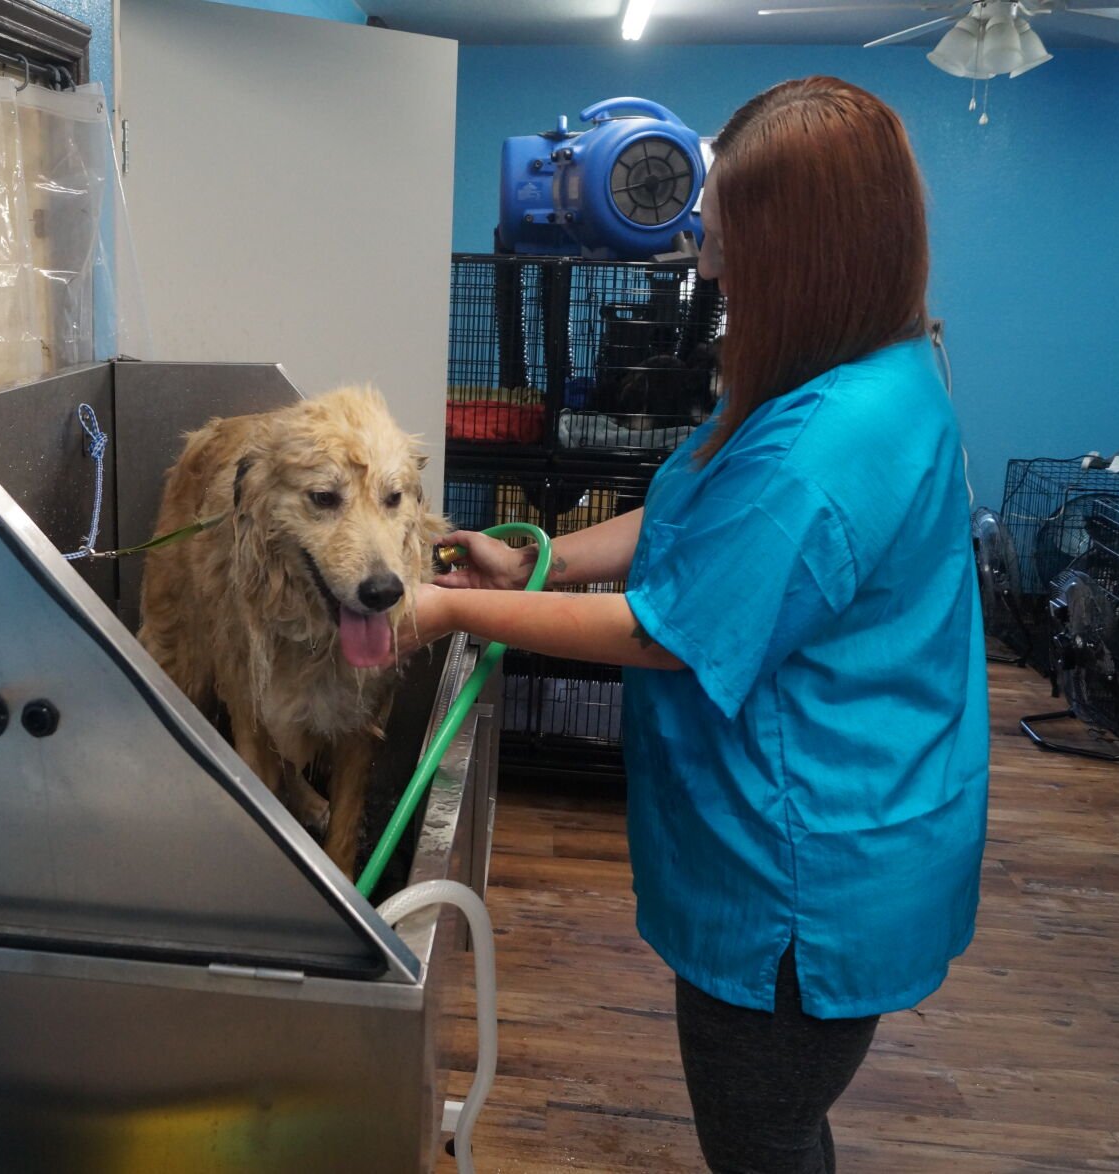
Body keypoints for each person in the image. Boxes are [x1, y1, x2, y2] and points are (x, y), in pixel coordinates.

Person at [407, 77, 989, 1173]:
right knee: (777, 1124)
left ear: (805, 258)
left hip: (804, 871)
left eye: (724, 249)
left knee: (761, 1134)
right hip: (848, 808)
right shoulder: (854, 370)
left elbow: (667, 629)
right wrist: (536, 552)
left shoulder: (831, 439)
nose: (705, 271)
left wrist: (444, 607)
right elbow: (695, 508)